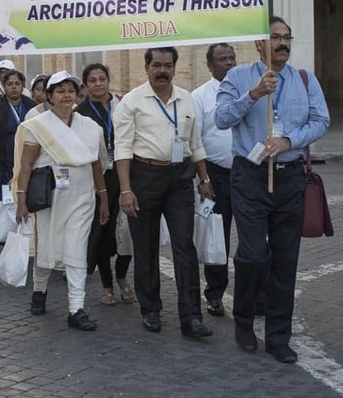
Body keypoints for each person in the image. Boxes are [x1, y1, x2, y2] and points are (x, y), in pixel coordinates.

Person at [215, 17, 330, 363]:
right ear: (259, 45)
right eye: (275, 38)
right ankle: (244, 319)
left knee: (285, 259)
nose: (282, 43)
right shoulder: (237, 78)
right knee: (252, 254)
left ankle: (279, 335)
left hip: (289, 177)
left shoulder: (305, 80)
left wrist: (289, 140)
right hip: (250, 176)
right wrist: (253, 95)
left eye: (286, 37)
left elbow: (321, 121)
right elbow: (221, 118)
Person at [114, 47, 215, 338]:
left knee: (185, 246)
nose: (162, 71)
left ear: (175, 68)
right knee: (145, 247)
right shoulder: (131, 102)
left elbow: (196, 144)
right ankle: (151, 309)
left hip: (180, 179)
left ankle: (191, 317)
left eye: (168, 66)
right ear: (146, 68)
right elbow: (122, 149)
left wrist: (204, 178)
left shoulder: (187, 99)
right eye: (156, 65)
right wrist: (126, 190)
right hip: (143, 177)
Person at [14, 71, 109, 330]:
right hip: (50, 199)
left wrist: (103, 198)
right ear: (49, 97)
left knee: (77, 251)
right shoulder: (38, 125)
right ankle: (39, 291)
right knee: (47, 249)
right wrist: (21, 200)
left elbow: (97, 165)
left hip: (82, 198)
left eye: (70, 90)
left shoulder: (91, 127)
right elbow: (26, 165)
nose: (66, 95)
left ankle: (76, 308)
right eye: (60, 91)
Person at [75, 63, 135, 305]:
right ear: (86, 85)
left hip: (124, 172)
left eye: (102, 79)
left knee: (127, 229)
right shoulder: (80, 113)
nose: (98, 84)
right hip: (97, 176)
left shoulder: (123, 105)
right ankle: (107, 285)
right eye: (92, 80)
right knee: (102, 230)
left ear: (108, 80)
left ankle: (122, 276)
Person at [191, 43, 237, 316]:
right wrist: (203, 178)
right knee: (217, 237)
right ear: (210, 65)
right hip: (216, 175)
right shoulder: (200, 97)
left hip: (248, 174)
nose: (229, 63)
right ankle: (215, 294)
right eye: (222, 59)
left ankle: (254, 295)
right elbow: (195, 141)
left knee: (255, 238)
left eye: (232, 57)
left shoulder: (249, 89)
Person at [0, 69, 37, 212]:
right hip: (1, 165)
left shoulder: (32, 108)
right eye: (10, 84)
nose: (14, 87)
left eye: (17, 83)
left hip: (27, 162)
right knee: (3, 207)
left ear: (23, 86)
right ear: (4, 86)